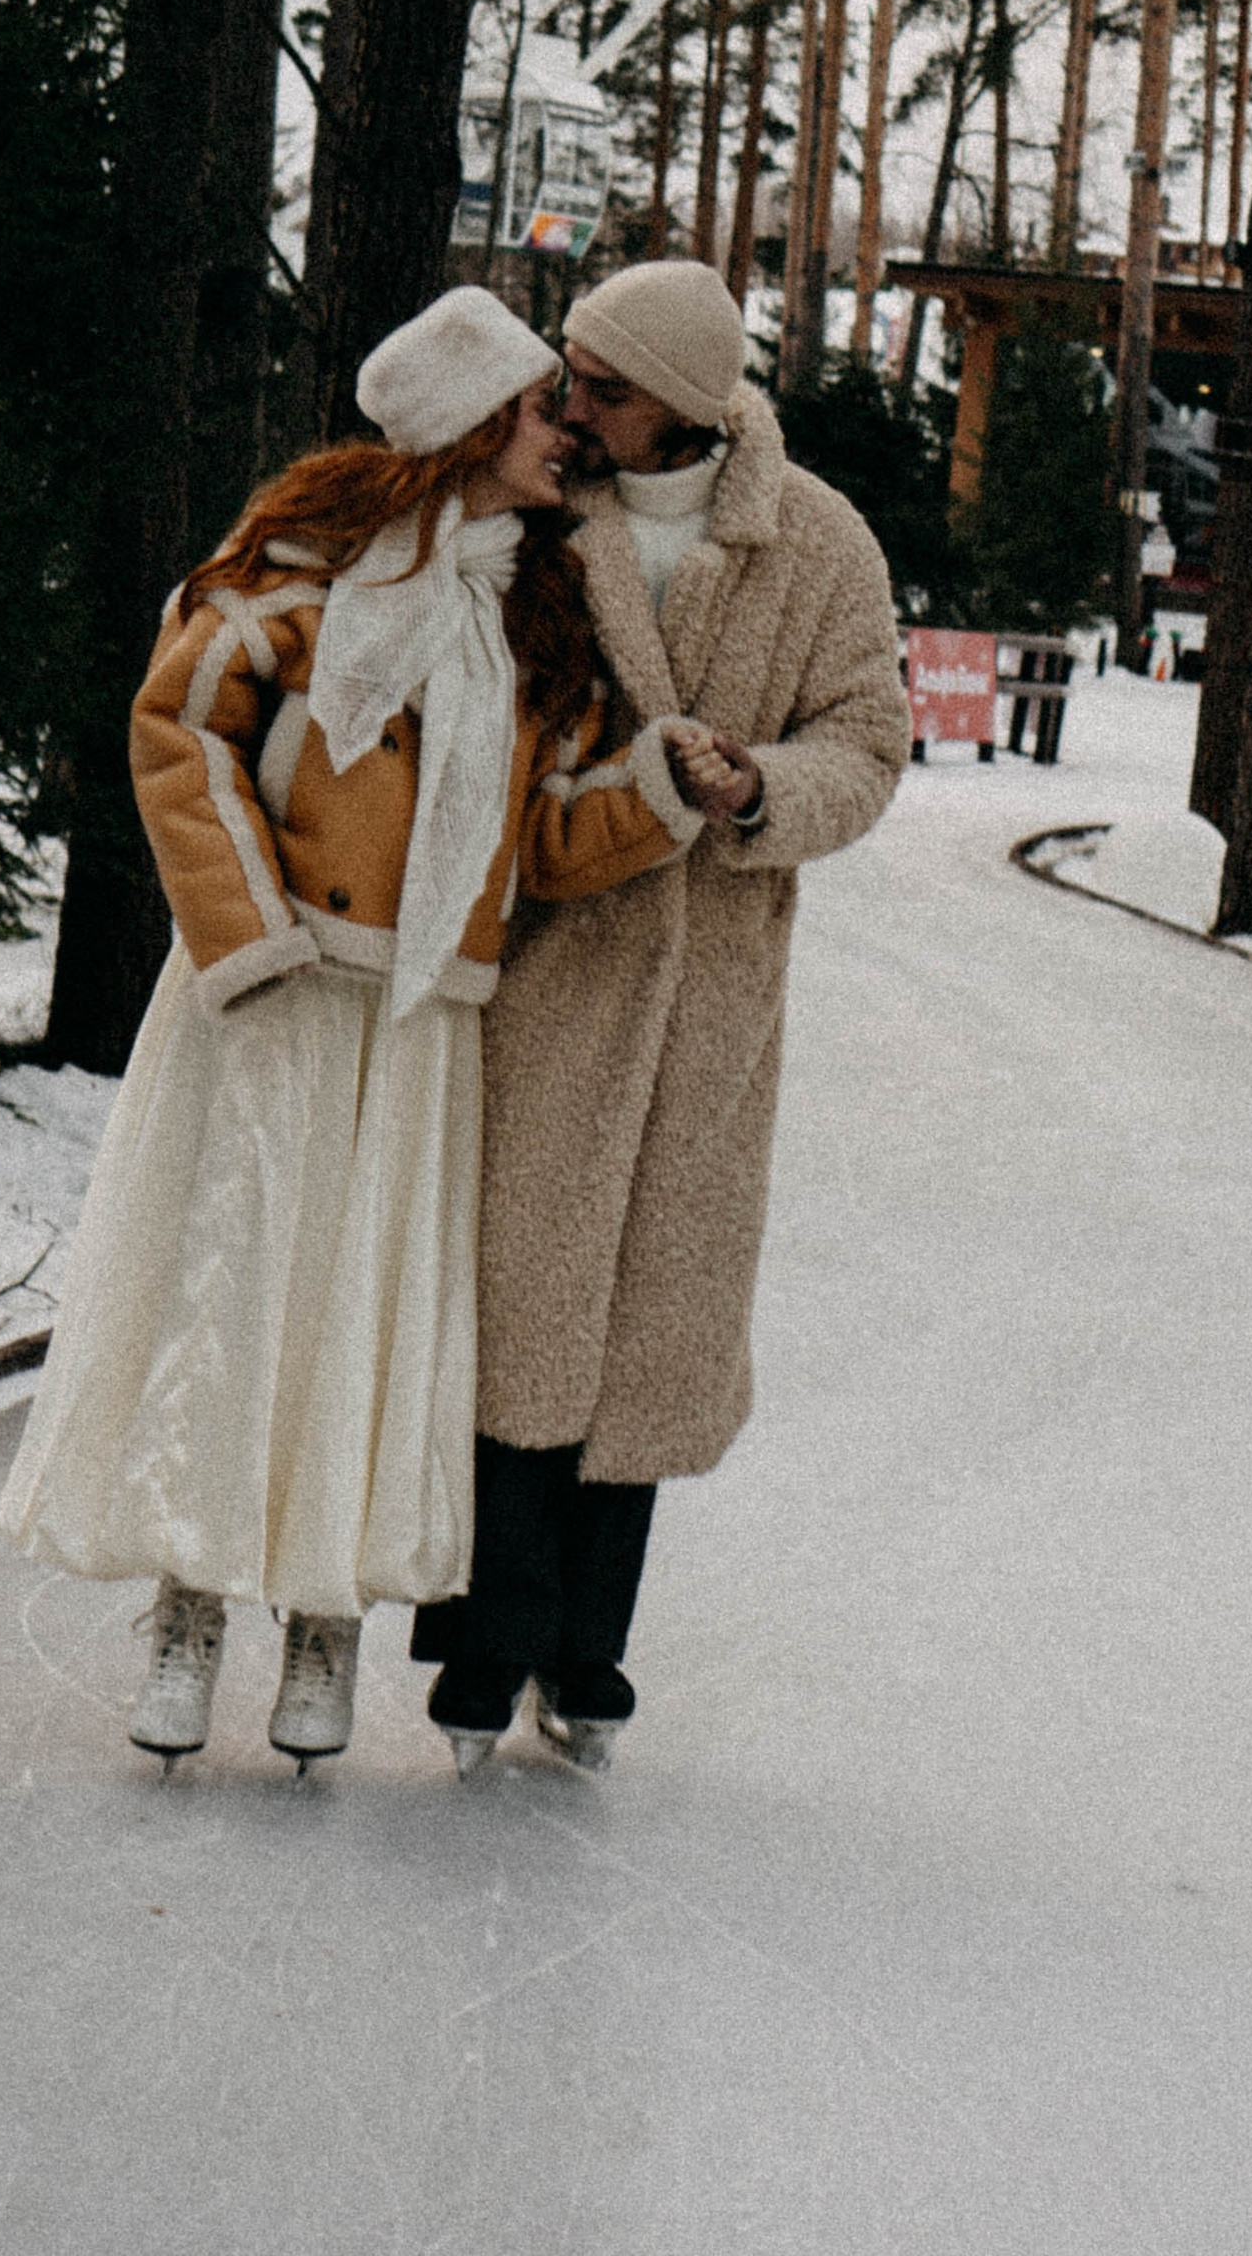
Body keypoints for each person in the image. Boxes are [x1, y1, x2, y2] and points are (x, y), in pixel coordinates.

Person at [0, 286, 707, 1770]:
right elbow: (176, 727)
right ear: (464, 427)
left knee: (368, 1324)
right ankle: (191, 1606)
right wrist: (247, 934)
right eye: (534, 409)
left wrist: (662, 791)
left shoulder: (537, 601)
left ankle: (325, 1628)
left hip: (424, 1025)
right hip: (282, 995)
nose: (561, 434)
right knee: (233, 1290)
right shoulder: (303, 578)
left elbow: (548, 841)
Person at [412, 256, 910, 1774]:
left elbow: (872, 741)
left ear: (687, 408)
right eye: (569, 374)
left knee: (647, 1334)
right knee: (523, 1314)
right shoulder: (543, 518)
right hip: (558, 967)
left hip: (709, 995)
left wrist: (761, 790)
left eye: (604, 388)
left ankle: (588, 1650)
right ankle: (482, 1650)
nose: (570, 405)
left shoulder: (817, 544)